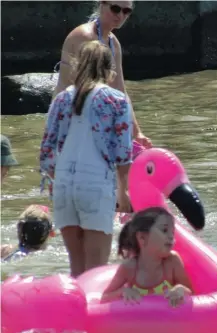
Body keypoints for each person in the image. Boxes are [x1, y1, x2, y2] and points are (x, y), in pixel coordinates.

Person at [40, 40, 133, 277]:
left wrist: (59, 179)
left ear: (78, 65)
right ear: (108, 69)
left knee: (76, 270)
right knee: (96, 272)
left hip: (63, 185)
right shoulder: (116, 100)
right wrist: (123, 193)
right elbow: (123, 153)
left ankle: (71, 313)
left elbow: (46, 153)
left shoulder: (60, 100)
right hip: (95, 185)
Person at [52, 0, 151, 149]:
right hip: (68, 116)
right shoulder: (84, 36)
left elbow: (120, 91)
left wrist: (137, 133)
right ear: (101, 4)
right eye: (116, 9)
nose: (120, 15)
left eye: (126, 11)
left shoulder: (114, 43)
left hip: (93, 119)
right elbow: (83, 86)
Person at [101, 207, 193, 307]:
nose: (171, 236)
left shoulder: (172, 262)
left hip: (167, 320)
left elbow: (192, 292)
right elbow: (104, 298)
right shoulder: (129, 268)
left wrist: (181, 289)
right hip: (139, 321)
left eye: (172, 232)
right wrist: (123, 291)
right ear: (142, 238)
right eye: (165, 230)